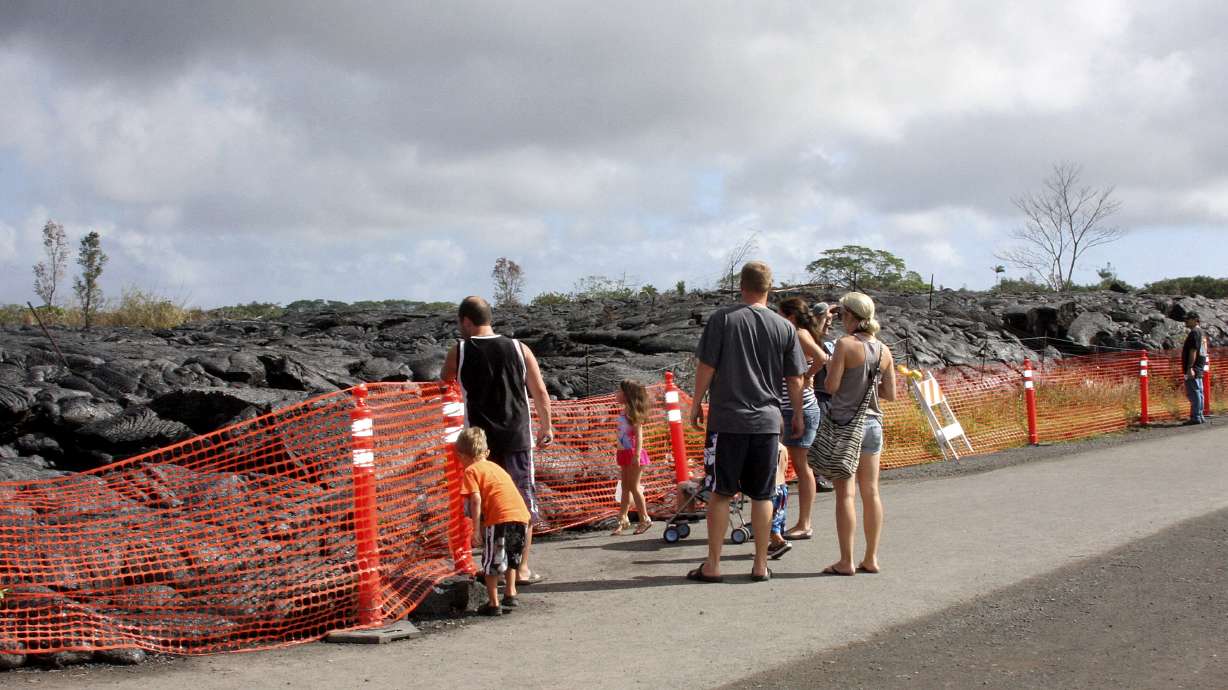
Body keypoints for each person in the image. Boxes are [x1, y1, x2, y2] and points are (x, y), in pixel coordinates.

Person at [686, 261, 806, 583]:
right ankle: (760, 564)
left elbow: (707, 366)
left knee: (721, 492)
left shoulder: (723, 319)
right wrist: (796, 413)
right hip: (767, 422)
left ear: (741, 286)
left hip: (728, 420)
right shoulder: (784, 327)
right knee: (763, 494)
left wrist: (696, 403)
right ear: (770, 288)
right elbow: (795, 377)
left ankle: (713, 564)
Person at [442, 296, 553, 585]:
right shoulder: (519, 348)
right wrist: (547, 426)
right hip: (517, 435)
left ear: (466, 321)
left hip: (479, 444)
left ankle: (494, 566)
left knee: (485, 503)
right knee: (521, 502)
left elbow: (444, 379)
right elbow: (540, 391)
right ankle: (521, 568)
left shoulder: (460, 351)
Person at [820, 292, 896, 577]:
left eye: (842, 315)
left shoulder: (845, 344)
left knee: (845, 494)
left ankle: (846, 560)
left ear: (851, 316)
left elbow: (831, 387)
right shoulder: (884, 350)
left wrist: (831, 367)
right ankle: (871, 557)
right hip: (872, 423)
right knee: (871, 491)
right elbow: (890, 393)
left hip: (846, 424)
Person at [456, 427, 530, 616]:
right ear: (486, 452)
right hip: (520, 516)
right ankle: (510, 593)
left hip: (499, 519)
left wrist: (475, 530)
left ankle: (493, 603)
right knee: (512, 557)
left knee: (492, 561)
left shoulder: (471, 471)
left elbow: (476, 499)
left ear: (462, 456)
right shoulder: (496, 468)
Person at [776, 297, 830, 541]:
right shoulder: (798, 333)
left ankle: (804, 523)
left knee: (802, 466)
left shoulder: (799, 334)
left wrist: (807, 375)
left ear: (790, 316)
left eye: (780, 314)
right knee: (791, 464)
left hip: (800, 407)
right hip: (791, 407)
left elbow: (822, 357)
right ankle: (781, 519)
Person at [611, 379, 653, 536]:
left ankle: (645, 519)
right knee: (625, 487)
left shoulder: (632, 413)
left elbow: (639, 435)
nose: (616, 394)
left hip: (633, 453)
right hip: (624, 452)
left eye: (619, 391)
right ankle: (622, 519)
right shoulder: (625, 410)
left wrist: (636, 454)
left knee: (634, 487)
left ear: (627, 395)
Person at [809, 302, 838, 494]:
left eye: (831, 319)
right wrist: (823, 313)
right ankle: (818, 476)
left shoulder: (830, 341)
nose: (829, 322)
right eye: (826, 319)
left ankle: (824, 473)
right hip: (817, 394)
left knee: (828, 436)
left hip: (830, 394)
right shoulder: (813, 339)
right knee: (818, 436)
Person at [1182, 311, 1209, 425]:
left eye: (1188, 319)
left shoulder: (1194, 333)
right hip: (1199, 366)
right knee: (1199, 392)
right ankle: (1200, 415)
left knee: (1194, 393)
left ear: (1195, 320)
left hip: (1193, 368)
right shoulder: (1202, 332)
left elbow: (1193, 351)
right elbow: (1204, 350)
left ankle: (1196, 417)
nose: (1185, 321)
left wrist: (1190, 367)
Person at [767, 443, 793, 559]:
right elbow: (785, 468)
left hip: (772, 489)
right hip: (782, 488)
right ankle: (774, 544)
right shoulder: (783, 448)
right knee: (779, 516)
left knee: (769, 520)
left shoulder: (768, 447)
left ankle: (779, 541)